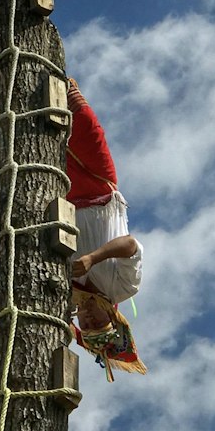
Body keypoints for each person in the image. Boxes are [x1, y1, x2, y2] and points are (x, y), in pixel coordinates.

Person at [66, 78, 146, 378]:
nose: (87, 318)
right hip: (98, 187)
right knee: (85, 127)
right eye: (98, 321)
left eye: (86, 325)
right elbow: (129, 245)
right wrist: (92, 259)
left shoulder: (69, 296)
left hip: (61, 198)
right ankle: (64, 83)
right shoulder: (124, 287)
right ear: (114, 315)